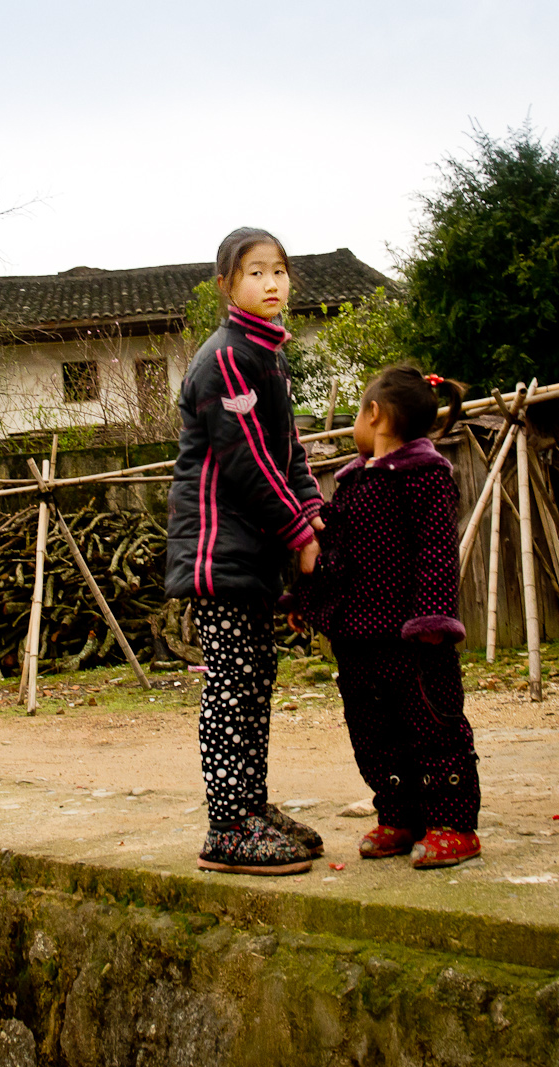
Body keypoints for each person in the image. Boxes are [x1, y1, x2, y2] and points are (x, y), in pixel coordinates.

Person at [164, 227, 327, 876]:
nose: (272, 283)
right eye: (256, 272)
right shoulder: (227, 357)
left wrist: (312, 508)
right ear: (227, 285)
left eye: (280, 271)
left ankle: (251, 808)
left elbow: (290, 453)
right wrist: (300, 532)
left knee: (256, 678)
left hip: (249, 553)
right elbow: (248, 461)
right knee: (234, 685)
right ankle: (228, 824)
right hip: (218, 555)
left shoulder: (268, 356)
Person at [290, 363, 481, 869]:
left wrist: (434, 621)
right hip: (357, 639)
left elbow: (438, 551)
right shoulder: (354, 482)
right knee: (373, 732)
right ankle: (399, 814)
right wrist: (304, 601)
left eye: (357, 410)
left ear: (374, 415)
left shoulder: (424, 476)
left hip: (409, 640)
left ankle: (453, 825)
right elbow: (334, 553)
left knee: (433, 729)